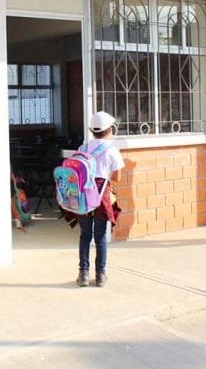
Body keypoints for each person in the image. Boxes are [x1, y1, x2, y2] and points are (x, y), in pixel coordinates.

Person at [71, 111, 124, 287]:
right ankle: (100, 275)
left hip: (84, 197)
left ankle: (83, 275)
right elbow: (117, 178)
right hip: (101, 196)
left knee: (84, 235)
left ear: (91, 130)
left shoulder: (82, 148)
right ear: (110, 130)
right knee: (100, 236)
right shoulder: (112, 150)